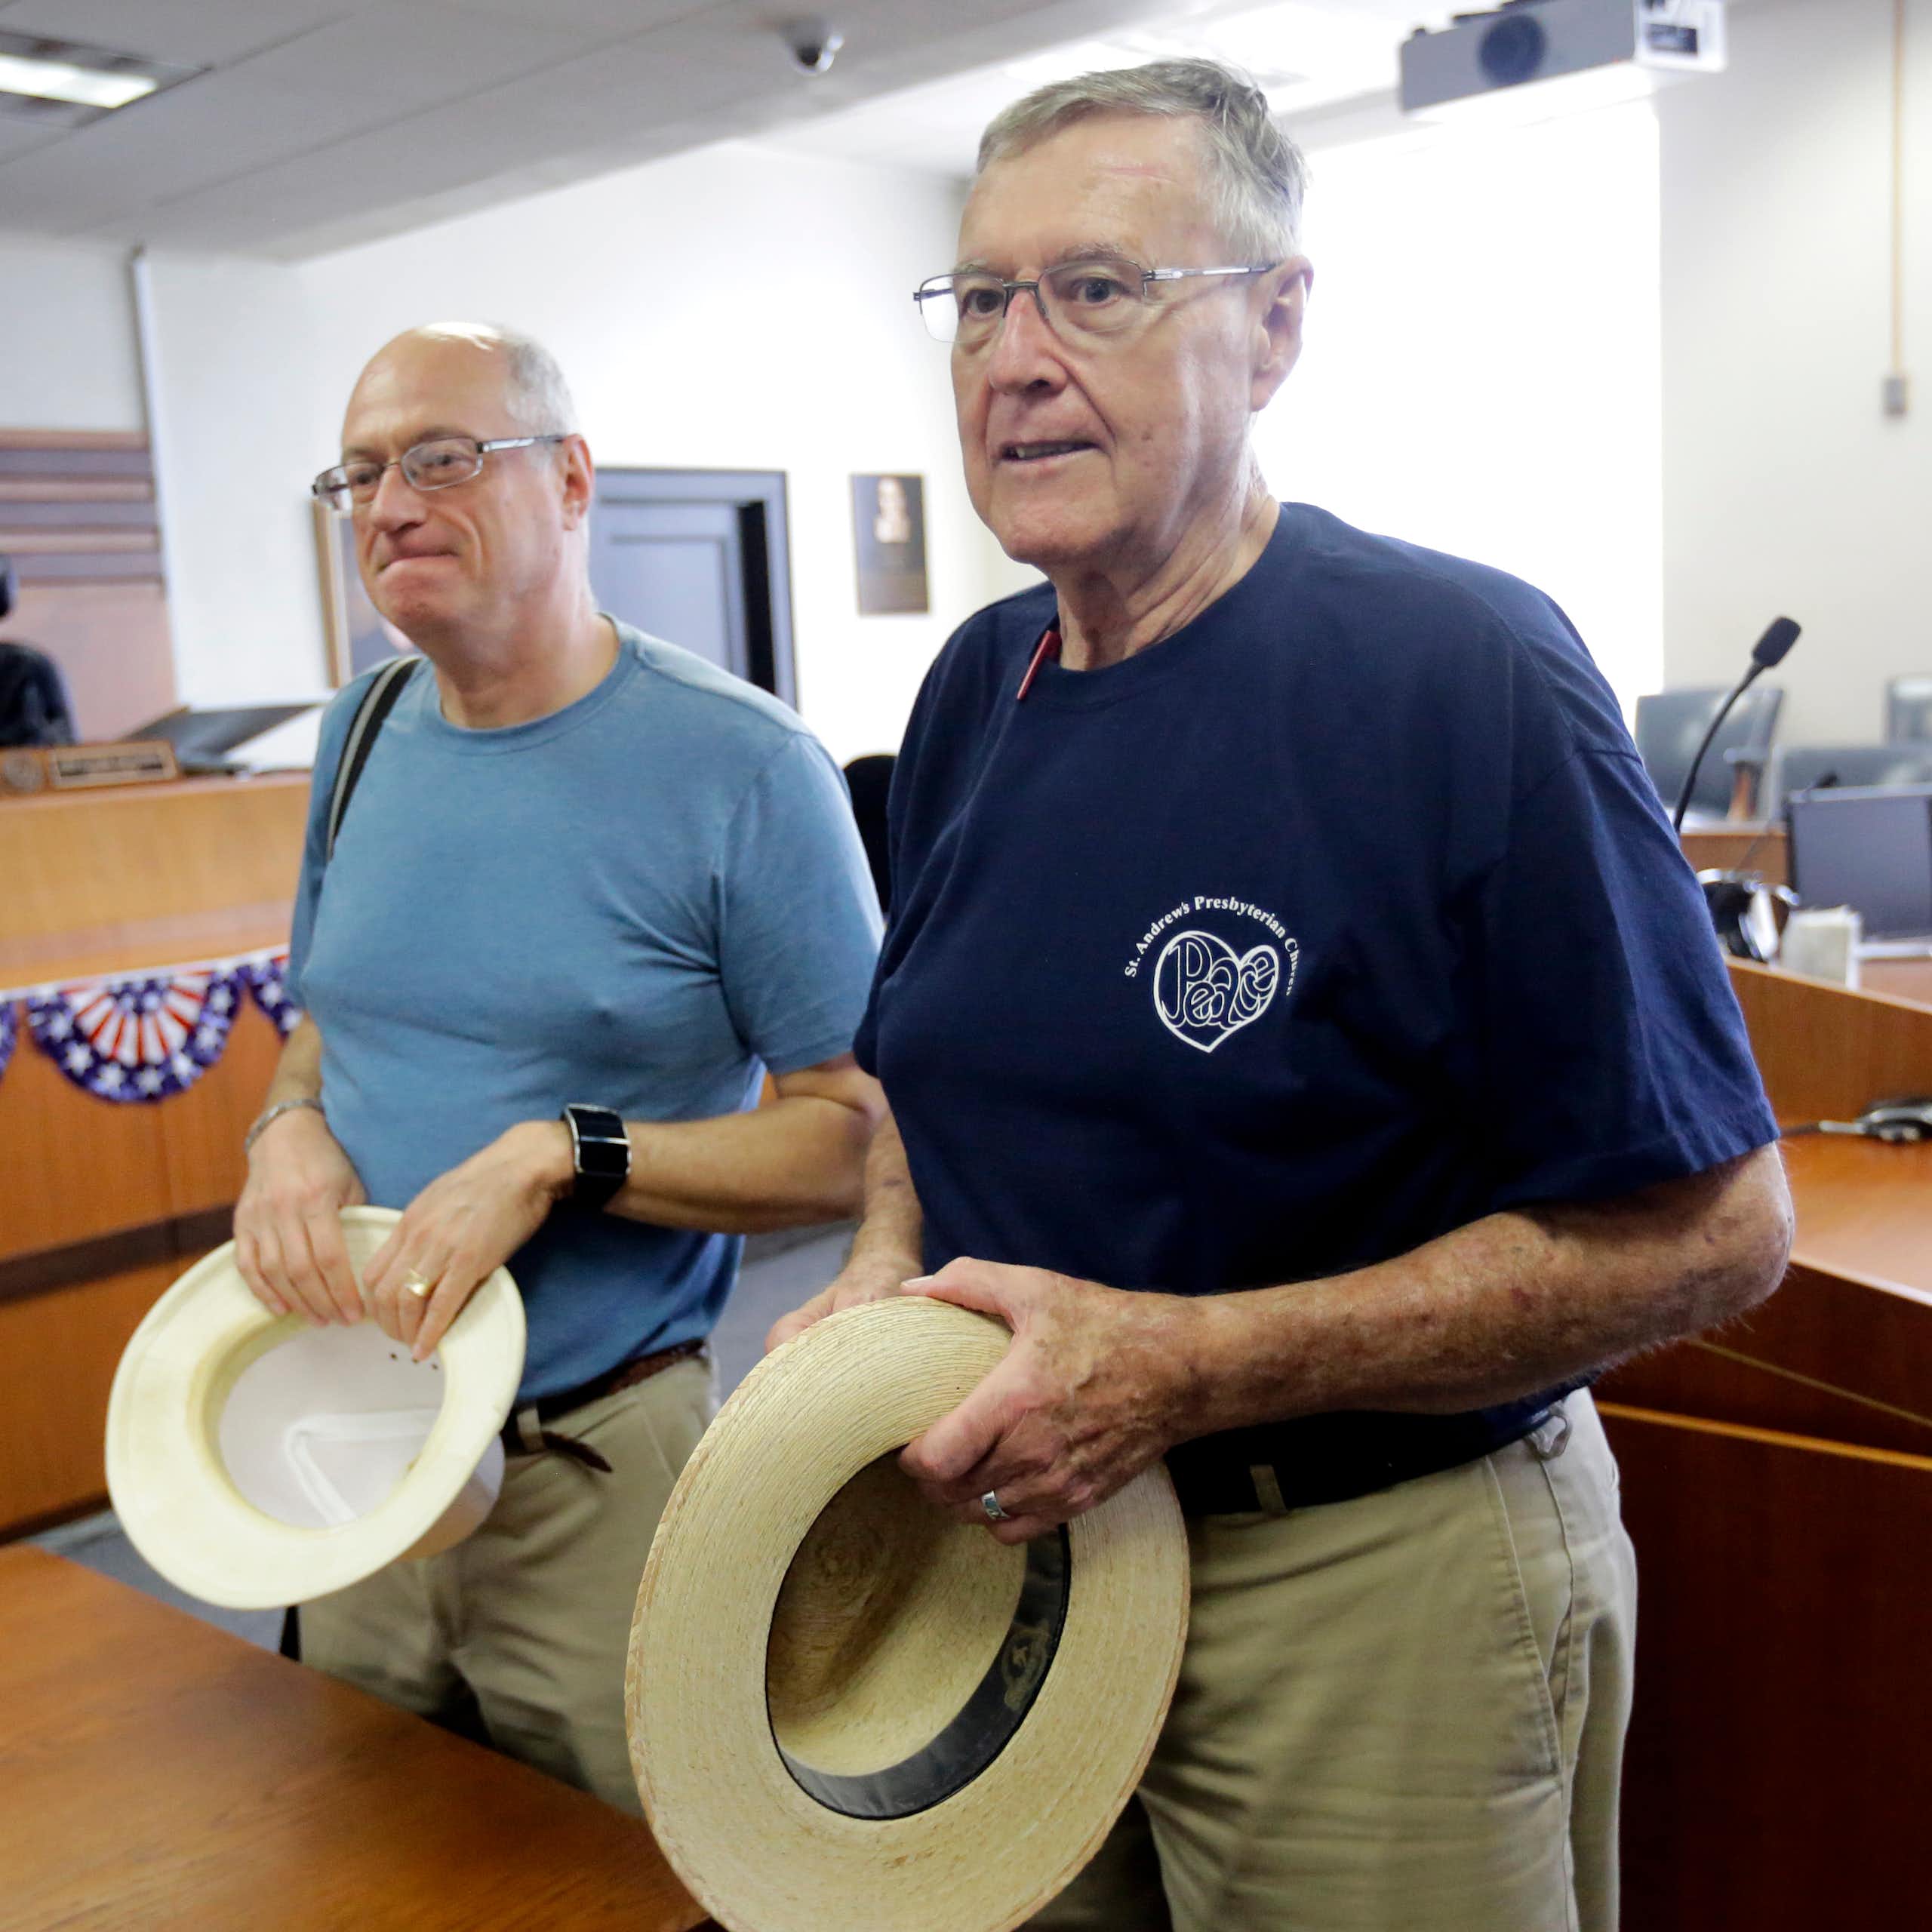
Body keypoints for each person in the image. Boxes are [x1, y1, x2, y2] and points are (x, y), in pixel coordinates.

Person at [769, 60, 1792, 1932]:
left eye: (1091, 288)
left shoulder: (1460, 671)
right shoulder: (970, 686)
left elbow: (1717, 1231)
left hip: (1359, 1577)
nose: (1012, 354)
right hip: (1022, 1570)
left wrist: (1185, 1365)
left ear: (1273, 322)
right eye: (980, 298)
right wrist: (874, 1267)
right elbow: (927, 1068)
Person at [235, 321, 882, 1812]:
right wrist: (287, 1125)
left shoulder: (742, 767)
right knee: (367, 1855)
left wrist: (561, 1150)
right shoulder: (364, 728)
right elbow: (332, 1010)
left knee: (649, 1869)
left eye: (442, 457)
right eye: (361, 473)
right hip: (348, 1431)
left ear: (572, 478)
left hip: (591, 1466)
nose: (391, 502)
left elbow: (853, 1133)